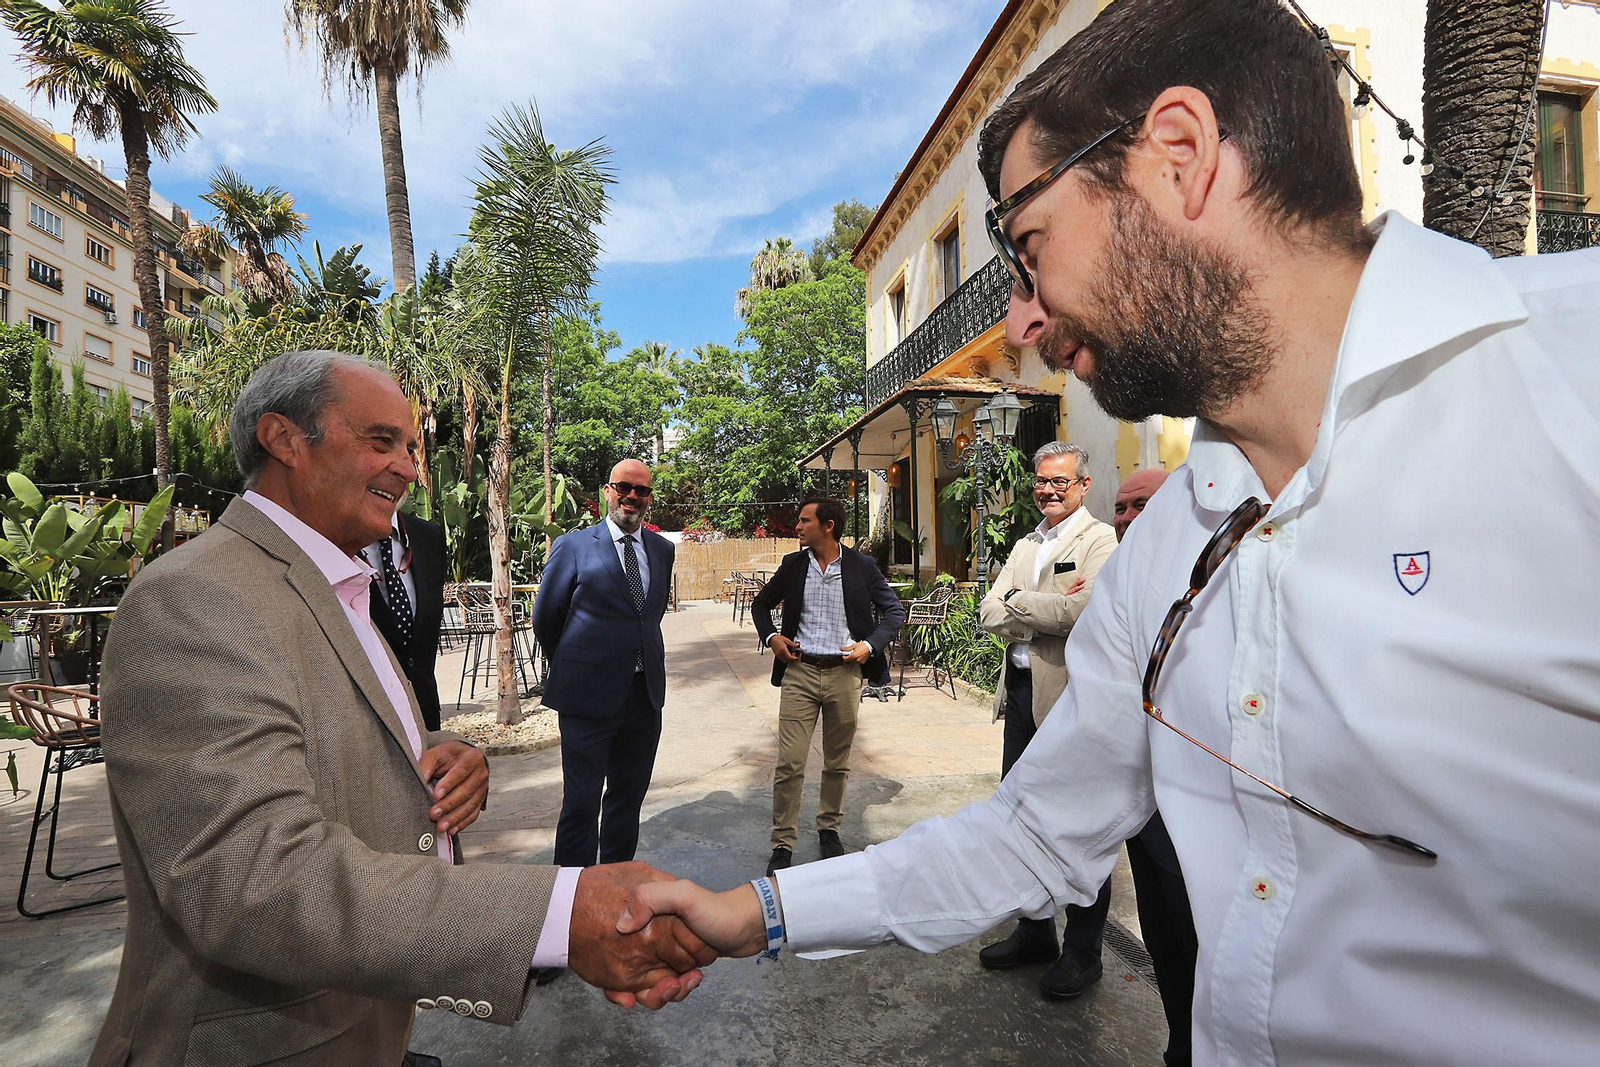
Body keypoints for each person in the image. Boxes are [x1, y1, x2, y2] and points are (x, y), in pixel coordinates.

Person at [616, 2, 1600, 1063]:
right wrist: (751, 913)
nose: (1026, 322)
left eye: (1028, 245)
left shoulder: (1570, 381)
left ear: (1177, 156)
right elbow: (1035, 832)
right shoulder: (1172, 540)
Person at [90, 352, 710, 1067]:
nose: (409, 468)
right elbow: (253, 881)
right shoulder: (197, 597)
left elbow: (324, 723)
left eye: (411, 447)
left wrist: (438, 750)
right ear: (284, 439)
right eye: (381, 441)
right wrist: (560, 915)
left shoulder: (335, 581)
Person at [976, 441, 1116, 999]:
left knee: (1081, 823)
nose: (1049, 490)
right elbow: (987, 612)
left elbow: (1085, 614)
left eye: (1061, 481)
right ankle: (1036, 931)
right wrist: (1039, 605)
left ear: (1083, 485)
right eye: (1041, 480)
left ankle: (1084, 950)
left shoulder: (1101, 539)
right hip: (1018, 697)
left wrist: (1018, 601)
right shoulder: (1027, 542)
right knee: (1022, 818)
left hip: (1067, 701)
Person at [750, 496, 905, 876]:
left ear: (828, 526)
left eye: (805, 521)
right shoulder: (792, 565)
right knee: (789, 762)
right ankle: (783, 843)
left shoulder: (861, 566)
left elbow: (894, 611)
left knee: (837, 763)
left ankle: (829, 831)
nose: (798, 527)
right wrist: (772, 637)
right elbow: (760, 605)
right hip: (800, 672)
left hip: (845, 674)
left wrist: (868, 646)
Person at [533, 459, 675, 870]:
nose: (632, 496)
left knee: (627, 800)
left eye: (642, 490)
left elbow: (646, 617)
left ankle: (615, 883)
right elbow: (547, 618)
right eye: (624, 487)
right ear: (607, 491)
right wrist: (582, 665)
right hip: (586, 700)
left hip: (644, 696)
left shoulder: (662, 550)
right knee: (581, 803)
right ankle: (572, 897)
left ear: (649, 498)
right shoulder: (574, 546)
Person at [1115, 466, 1201, 1067]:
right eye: (1119, 508)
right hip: (1143, 809)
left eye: (1139, 504)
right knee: (1164, 938)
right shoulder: (1121, 579)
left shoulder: (1212, 579)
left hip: (1200, 810)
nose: (1123, 519)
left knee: (1201, 942)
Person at [365, 506, 448, 731]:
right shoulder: (327, 537)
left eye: (411, 467)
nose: (404, 473)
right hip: (365, 726)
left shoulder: (429, 537)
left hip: (424, 716)